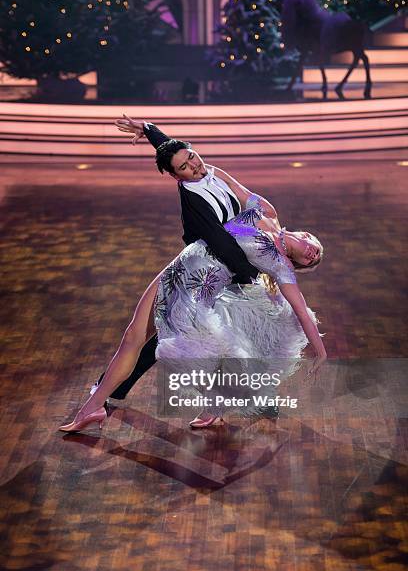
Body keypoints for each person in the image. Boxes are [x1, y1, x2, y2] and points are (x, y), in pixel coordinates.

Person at [59, 129, 326, 432]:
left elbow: (300, 308)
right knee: (138, 335)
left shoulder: (277, 264)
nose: (195, 165)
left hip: (205, 282)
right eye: (313, 247)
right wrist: (149, 130)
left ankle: (233, 400)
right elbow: (179, 155)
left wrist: (320, 351)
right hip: (185, 263)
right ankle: (94, 407)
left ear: (299, 262)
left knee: (188, 345)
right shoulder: (250, 201)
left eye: (311, 258)